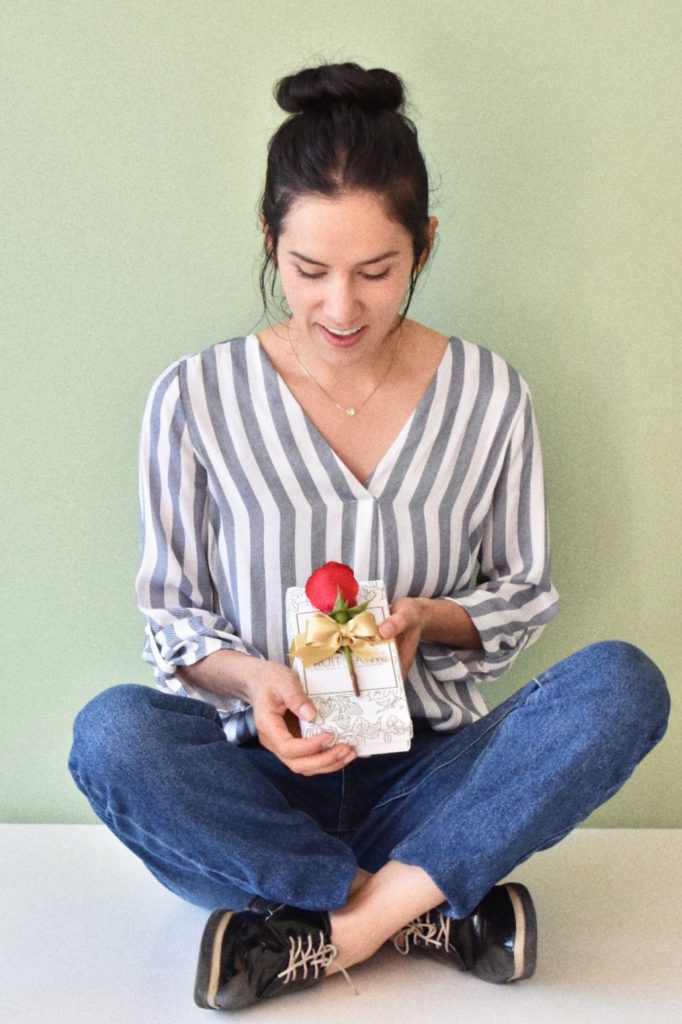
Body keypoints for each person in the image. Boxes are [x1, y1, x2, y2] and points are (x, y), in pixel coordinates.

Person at [68, 63, 669, 1012]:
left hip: (430, 774)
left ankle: (324, 931)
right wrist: (256, 682)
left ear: (424, 245)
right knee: (111, 734)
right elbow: (174, 616)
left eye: (376, 271)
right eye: (308, 272)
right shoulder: (194, 397)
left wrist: (430, 618)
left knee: (623, 685)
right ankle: (421, 908)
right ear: (270, 240)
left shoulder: (488, 394)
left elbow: (522, 591)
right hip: (258, 787)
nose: (340, 309)